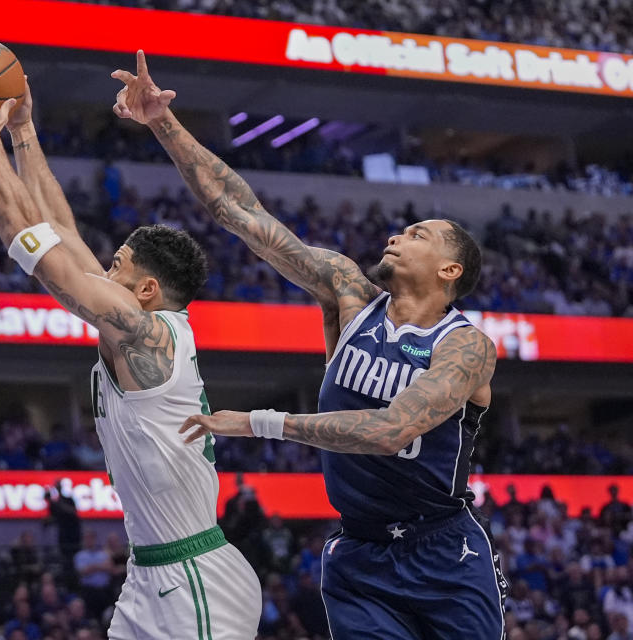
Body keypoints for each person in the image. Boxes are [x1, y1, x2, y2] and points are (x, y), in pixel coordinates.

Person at [111, 50, 504, 639]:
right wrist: (161, 121)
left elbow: (391, 430)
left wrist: (262, 423)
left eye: (418, 235)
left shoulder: (466, 347)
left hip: (444, 551)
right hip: (359, 555)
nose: (398, 234)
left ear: (450, 270)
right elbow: (240, 212)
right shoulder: (349, 294)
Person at [0, 72, 261, 639]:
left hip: (195, 577)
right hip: (153, 570)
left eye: (116, 265)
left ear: (146, 291)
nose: (101, 270)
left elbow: (32, 241)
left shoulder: (144, 333)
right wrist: (22, 132)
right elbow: (60, 232)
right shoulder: (138, 320)